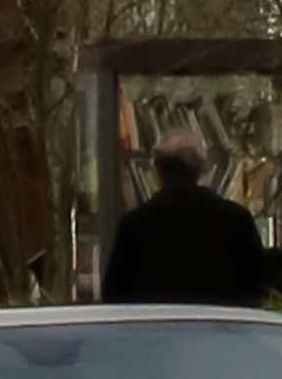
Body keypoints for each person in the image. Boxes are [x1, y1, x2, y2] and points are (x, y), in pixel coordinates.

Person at [101, 127, 269, 307]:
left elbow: (115, 294)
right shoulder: (237, 220)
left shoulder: (133, 226)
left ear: (158, 169)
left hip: (153, 332)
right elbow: (258, 287)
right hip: (221, 330)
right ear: (201, 166)